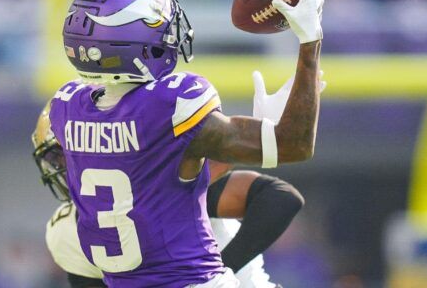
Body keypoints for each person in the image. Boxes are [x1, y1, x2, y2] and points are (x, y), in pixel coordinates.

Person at [45, 0, 329, 287]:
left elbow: (154, 185)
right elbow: (293, 146)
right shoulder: (169, 103)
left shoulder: (68, 108)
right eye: (159, 24)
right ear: (133, 40)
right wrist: (310, 42)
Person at [32, 70, 326, 286]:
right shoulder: (65, 231)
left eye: (62, 156)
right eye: (57, 159)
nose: (62, 166)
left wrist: (218, 273)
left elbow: (278, 198)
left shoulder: (162, 187)